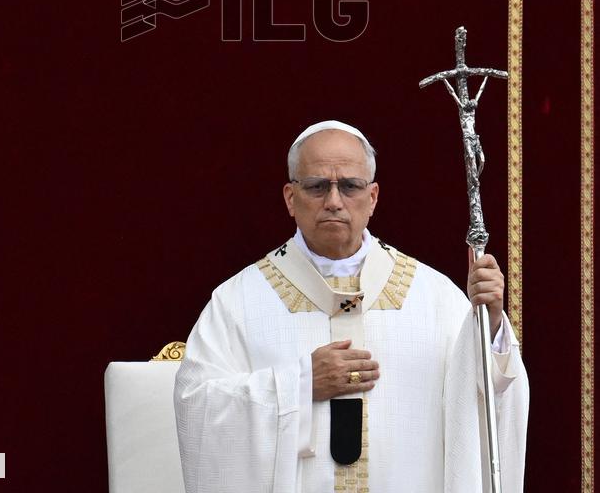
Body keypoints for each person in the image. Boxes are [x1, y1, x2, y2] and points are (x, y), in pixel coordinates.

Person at [174, 119, 529, 493]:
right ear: (290, 197)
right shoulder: (239, 301)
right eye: (316, 186)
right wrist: (299, 385)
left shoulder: (434, 296)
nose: (333, 201)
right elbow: (196, 407)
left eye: (349, 186)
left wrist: (488, 325)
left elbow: (484, 400)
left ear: (372, 197)